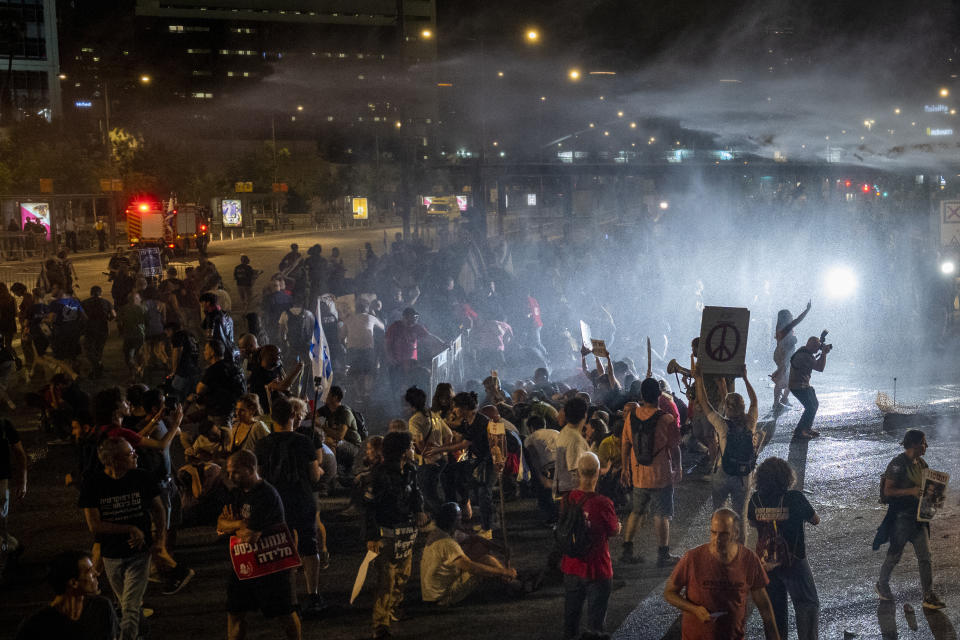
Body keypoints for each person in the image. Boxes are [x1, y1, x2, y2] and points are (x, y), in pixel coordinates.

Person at [79, 437, 166, 640]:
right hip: (111, 555)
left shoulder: (143, 478)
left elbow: (159, 510)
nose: (135, 455)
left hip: (139, 553)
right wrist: (130, 528)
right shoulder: (93, 484)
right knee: (129, 604)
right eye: (130, 454)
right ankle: (141, 632)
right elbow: (95, 525)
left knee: (129, 606)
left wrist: (159, 539)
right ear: (113, 460)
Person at [217, 450, 301, 640]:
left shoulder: (265, 495)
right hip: (244, 564)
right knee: (235, 612)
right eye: (229, 472)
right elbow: (220, 523)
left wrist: (234, 527)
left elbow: (250, 537)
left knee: (284, 613)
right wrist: (238, 524)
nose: (230, 477)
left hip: (270, 565)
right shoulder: (238, 493)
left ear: (250, 469)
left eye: (235, 472)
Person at [255, 395, 325, 617]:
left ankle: (283, 595)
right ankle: (312, 595)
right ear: (294, 415)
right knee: (308, 546)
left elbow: (261, 476)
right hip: (301, 498)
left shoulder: (263, 444)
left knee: (277, 547)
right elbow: (314, 476)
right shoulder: (304, 442)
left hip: (275, 501)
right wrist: (320, 472)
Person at [664, 508, 780, 640]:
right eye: (713, 532)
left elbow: (764, 607)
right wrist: (694, 609)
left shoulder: (749, 560)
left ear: (736, 533)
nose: (717, 539)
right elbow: (669, 593)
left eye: (724, 534)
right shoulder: (692, 558)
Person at [748, 457, 820, 640]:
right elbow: (815, 520)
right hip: (794, 560)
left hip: (767, 563)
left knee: (774, 609)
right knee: (807, 604)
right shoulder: (794, 498)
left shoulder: (755, 500)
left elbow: (752, 523)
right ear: (786, 477)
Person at [365, 431, 428, 638]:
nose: (413, 449)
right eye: (410, 446)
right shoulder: (379, 475)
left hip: (406, 533)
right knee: (386, 580)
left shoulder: (410, 469)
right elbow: (369, 507)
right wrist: (372, 536)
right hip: (387, 534)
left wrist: (419, 509)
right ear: (402, 452)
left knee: (403, 576)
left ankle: (393, 609)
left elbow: (416, 491)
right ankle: (380, 624)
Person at [874, 429, 945, 609]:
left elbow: (928, 488)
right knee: (894, 556)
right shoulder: (897, 464)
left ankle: (928, 596)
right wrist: (911, 491)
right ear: (913, 444)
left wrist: (934, 497)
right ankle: (882, 585)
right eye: (923, 442)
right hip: (901, 519)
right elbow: (888, 491)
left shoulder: (921, 463)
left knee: (925, 557)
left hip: (919, 519)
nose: (926, 446)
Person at [620, 378, 682, 566]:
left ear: (641, 396)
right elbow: (675, 447)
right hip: (661, 476)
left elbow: (625, 444)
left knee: (636, 512)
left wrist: (625, 468)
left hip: (639, 475)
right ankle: (663, 555)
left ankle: (627, 551)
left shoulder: (631, 417)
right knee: (661, 514)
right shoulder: (666, 419)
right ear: (658, 395)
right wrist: (678, 467)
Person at [561, 452, 621, 640]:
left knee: (571, 619)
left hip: (571, 565)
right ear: (597, 473)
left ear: (578, 473)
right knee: (595, 625)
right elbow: (613, 530)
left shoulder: (568, 499)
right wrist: (619, 526)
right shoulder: (603, 503)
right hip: (597, 568)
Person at [696, 365, 759, 540]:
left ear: (726, 407)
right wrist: (745, 378)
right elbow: (754, 402)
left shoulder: (722, 425)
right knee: (740, 515)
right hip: (743, 477)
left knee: (718, 513)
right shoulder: (750, 422)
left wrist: (699, 378)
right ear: (743, 407)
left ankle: (719, 546)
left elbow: (705, 404)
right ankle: (741, 552)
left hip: (722, 474)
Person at [420, 502, 518, 607]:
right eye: (459, 518)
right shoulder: (447, 542)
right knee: (479, 568)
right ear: (453, 521)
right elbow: (471, 568)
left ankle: (510, 582)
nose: (461, 520)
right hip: (442, 596)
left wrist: (499, 548)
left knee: (485, 558)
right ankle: (513, 584)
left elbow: (474, 538)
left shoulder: (438, 533)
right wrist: (503, 571)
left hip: (432, 593)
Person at [14, 549, 118, 640]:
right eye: (89, 572)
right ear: (73, 583)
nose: (97, 574)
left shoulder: (102, 608)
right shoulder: (36, 625)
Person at [788, 335, 831, 440]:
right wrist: (824, 353)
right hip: (798, 386)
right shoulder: (805, 356)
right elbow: (820, 368)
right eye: (817, 347)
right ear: (810, 346)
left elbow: (816, 362)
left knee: (814, 405)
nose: (818, 349)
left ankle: (807, 428)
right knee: (810, 407)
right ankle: (799, 431)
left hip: (803, 385)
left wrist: (821, 349)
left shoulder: (805, 351)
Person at [195, 339, 245, 427]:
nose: (204, 352)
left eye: (206, 349)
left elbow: (199, 390)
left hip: (219, 413)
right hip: (234, 409)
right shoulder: (233, 366)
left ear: (212, 352)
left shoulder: (213, 369)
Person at [770, 301, 811, 410]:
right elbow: (798, 320)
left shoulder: (782, 329)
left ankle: (782, 400)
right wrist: (807, 310)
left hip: (782, 354)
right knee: (785, 379)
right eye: (790, 315)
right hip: (785, 355)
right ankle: (778, 402)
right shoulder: (786, 328)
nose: (792, 317)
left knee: (787, 378)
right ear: (786, 318)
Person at [0, 418, 27, 574]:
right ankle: (12, 547)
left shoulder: (3, 424)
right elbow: (19, 453)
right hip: (2, 482)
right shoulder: (4, 423)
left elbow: (19, 453)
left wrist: (23, 481)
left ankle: (4, 564)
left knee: (1, 529)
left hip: (1, 482)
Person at [555, 396, 590, 502]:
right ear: (585, 415)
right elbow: (575, 471)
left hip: (567, 493)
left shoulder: (565, 432)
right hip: (575, 495)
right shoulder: (575, 439)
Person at [81, 286, 115, 379]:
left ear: (91, 293)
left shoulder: (84, 303)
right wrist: (108, 319)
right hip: (103, 329)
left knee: (88, 349)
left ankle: (96, 366)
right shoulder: (107, 302)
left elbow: (82, 316)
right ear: (101, 293)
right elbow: (113, 315)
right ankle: (97, 367)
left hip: (90, 329)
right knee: (99, 349)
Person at [165, 321, 201, 402]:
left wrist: (174, 371)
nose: (166, 334)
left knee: (174, 395)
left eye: (167, 331)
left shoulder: (177, 336)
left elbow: (176, 353)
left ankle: (177, 412)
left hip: (183, 371)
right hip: (194, 371)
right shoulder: (191, 335)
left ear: (171, 330)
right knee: (190, 396)